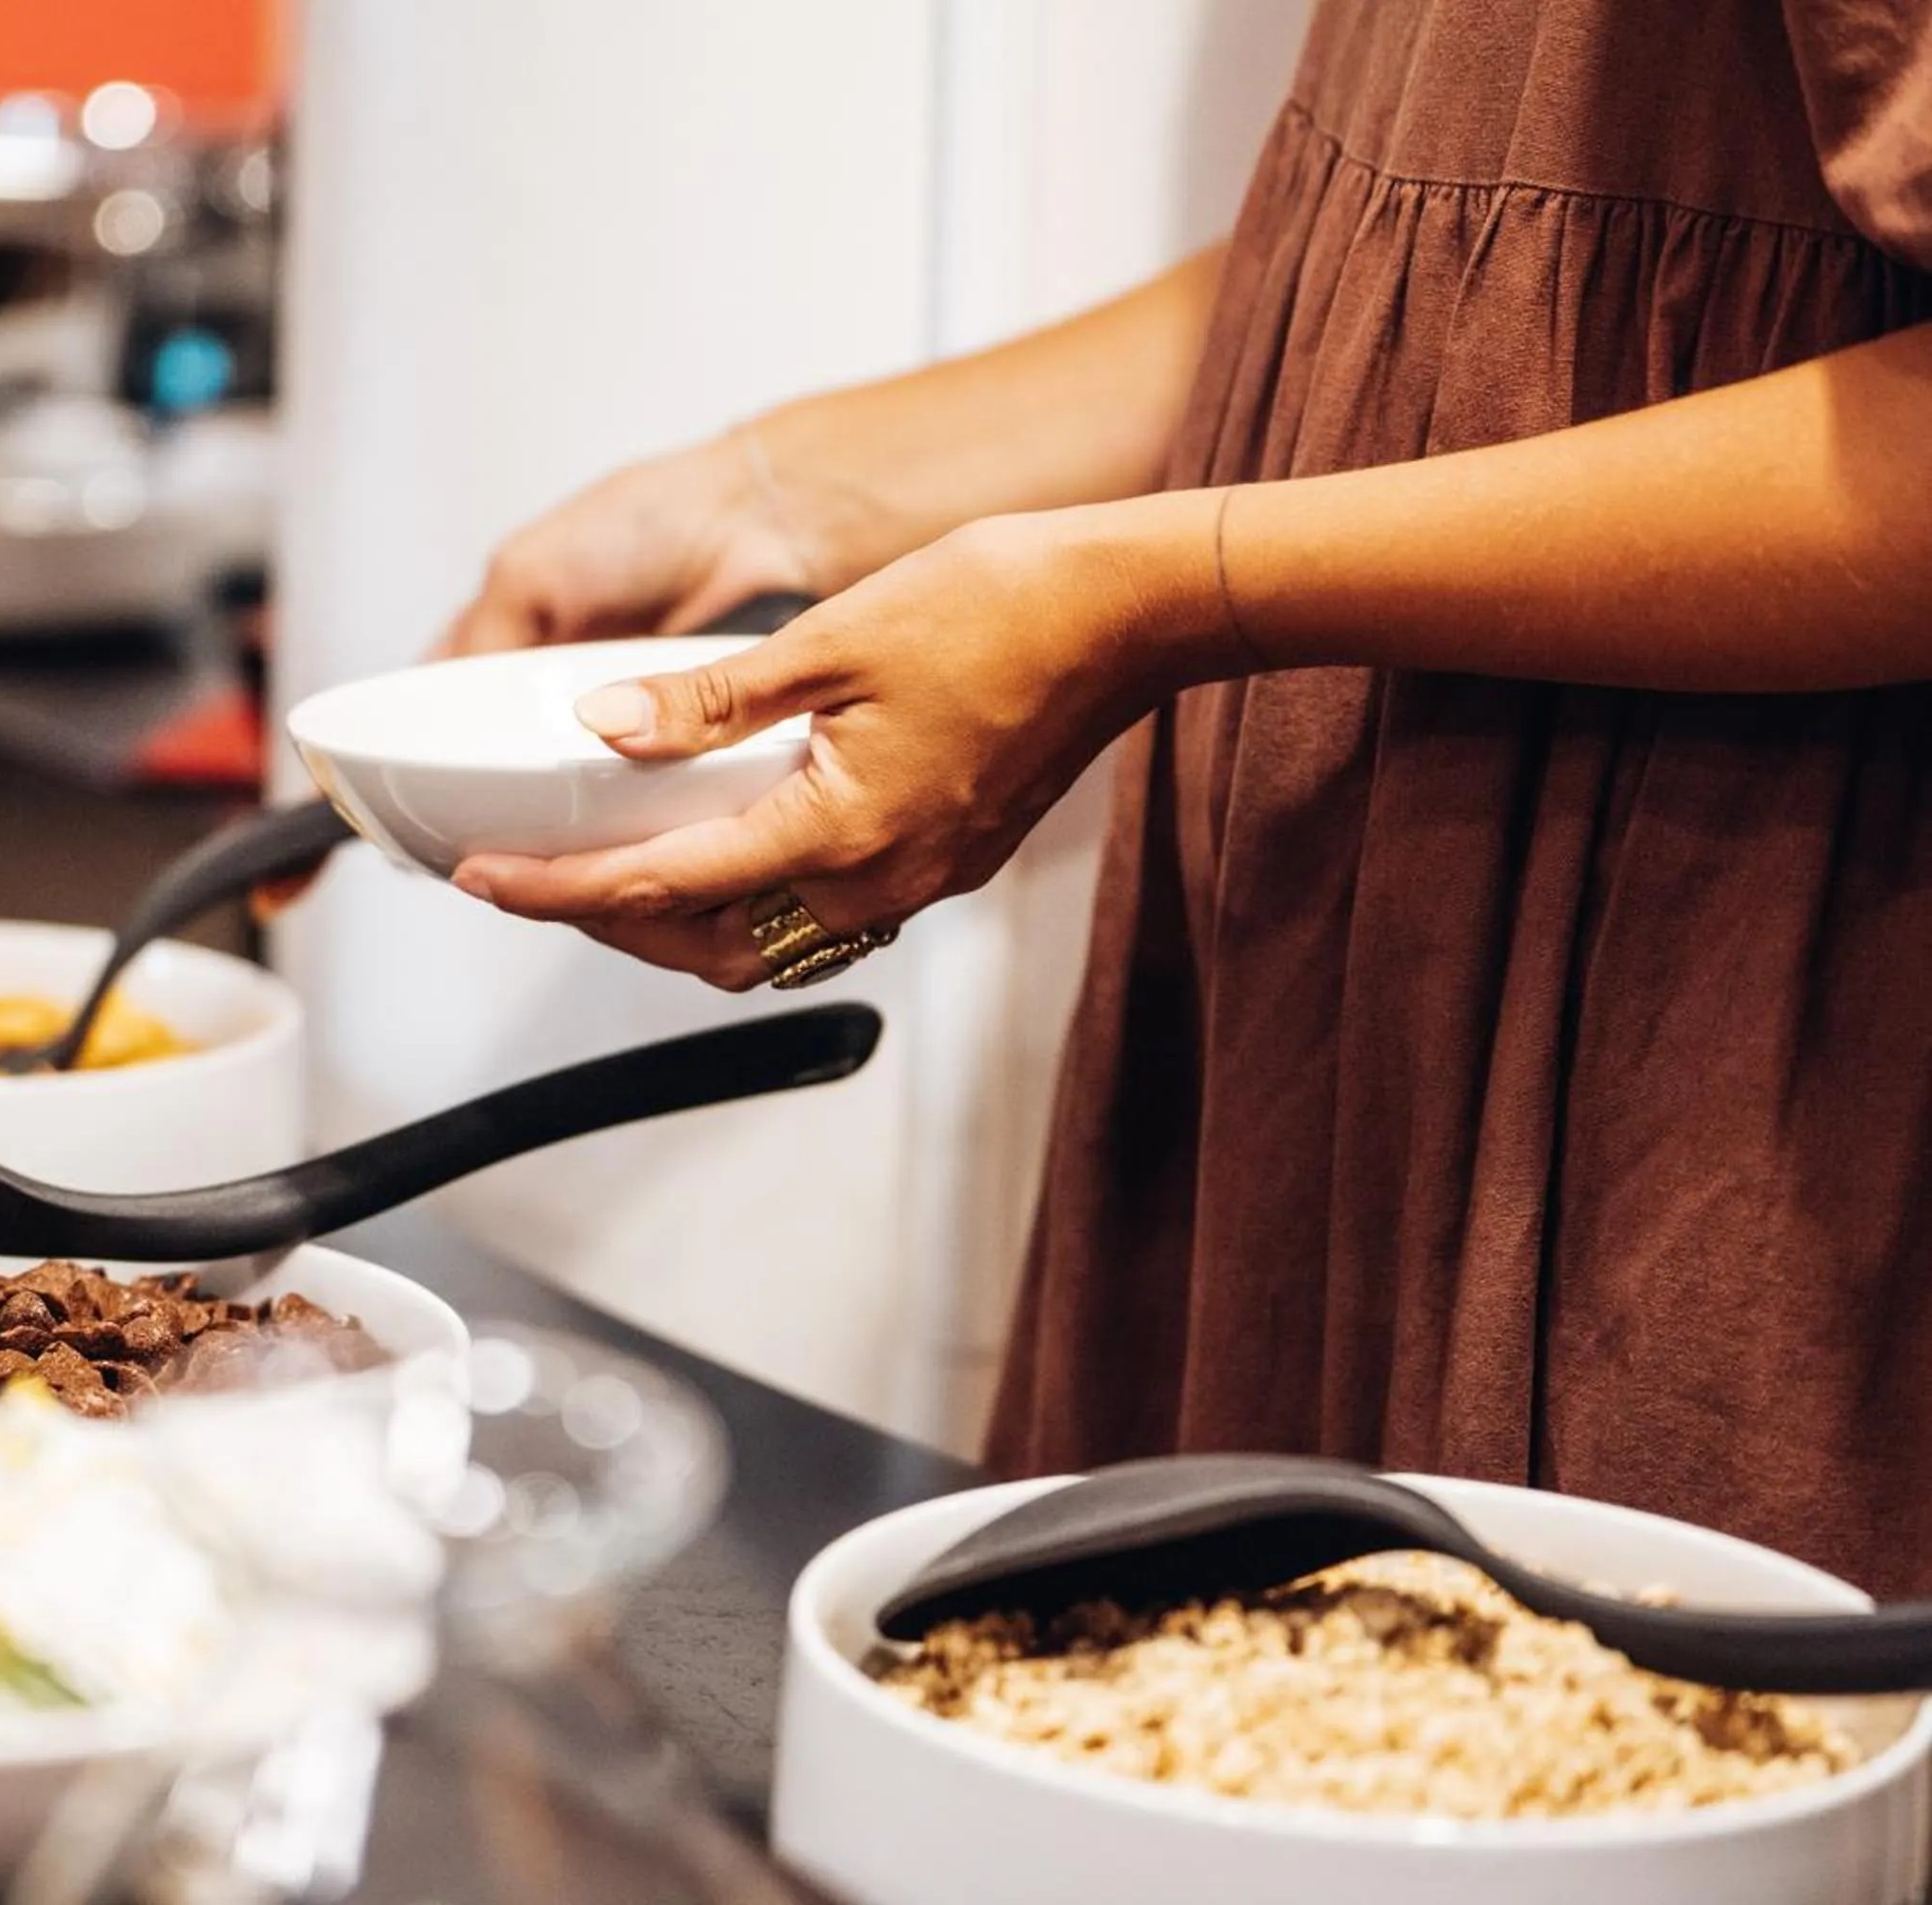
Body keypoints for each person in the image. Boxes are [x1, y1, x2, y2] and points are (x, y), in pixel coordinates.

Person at [437, 0, 1932, 1594]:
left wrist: (1160, 599)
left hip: (1710, 1051)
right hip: (1344, 1005)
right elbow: (1457, 250)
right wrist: (769, 497)